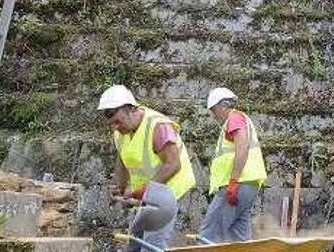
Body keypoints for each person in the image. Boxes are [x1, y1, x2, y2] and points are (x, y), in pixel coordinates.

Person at [99, 85, 197, 252]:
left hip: (169, 192)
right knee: (136, 243)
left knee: (152, 245)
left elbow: (173, 164)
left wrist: (144, 191)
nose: (115, 127)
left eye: (117, 121)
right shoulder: (120, 132)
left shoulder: (158, 126)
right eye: (111, 123)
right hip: (150, 194)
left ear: (131, 109)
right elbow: (122, 159)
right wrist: (120, 188)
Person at [199, 87, 268, 243]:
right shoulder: (239, 119)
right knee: (239, 237)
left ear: (223, 106)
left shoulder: (234, 118)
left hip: (236, 185)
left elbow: (242, 146)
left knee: (209, 233)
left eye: (213, 110)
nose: (213, 115)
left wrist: (233, 181)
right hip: (248, 185)